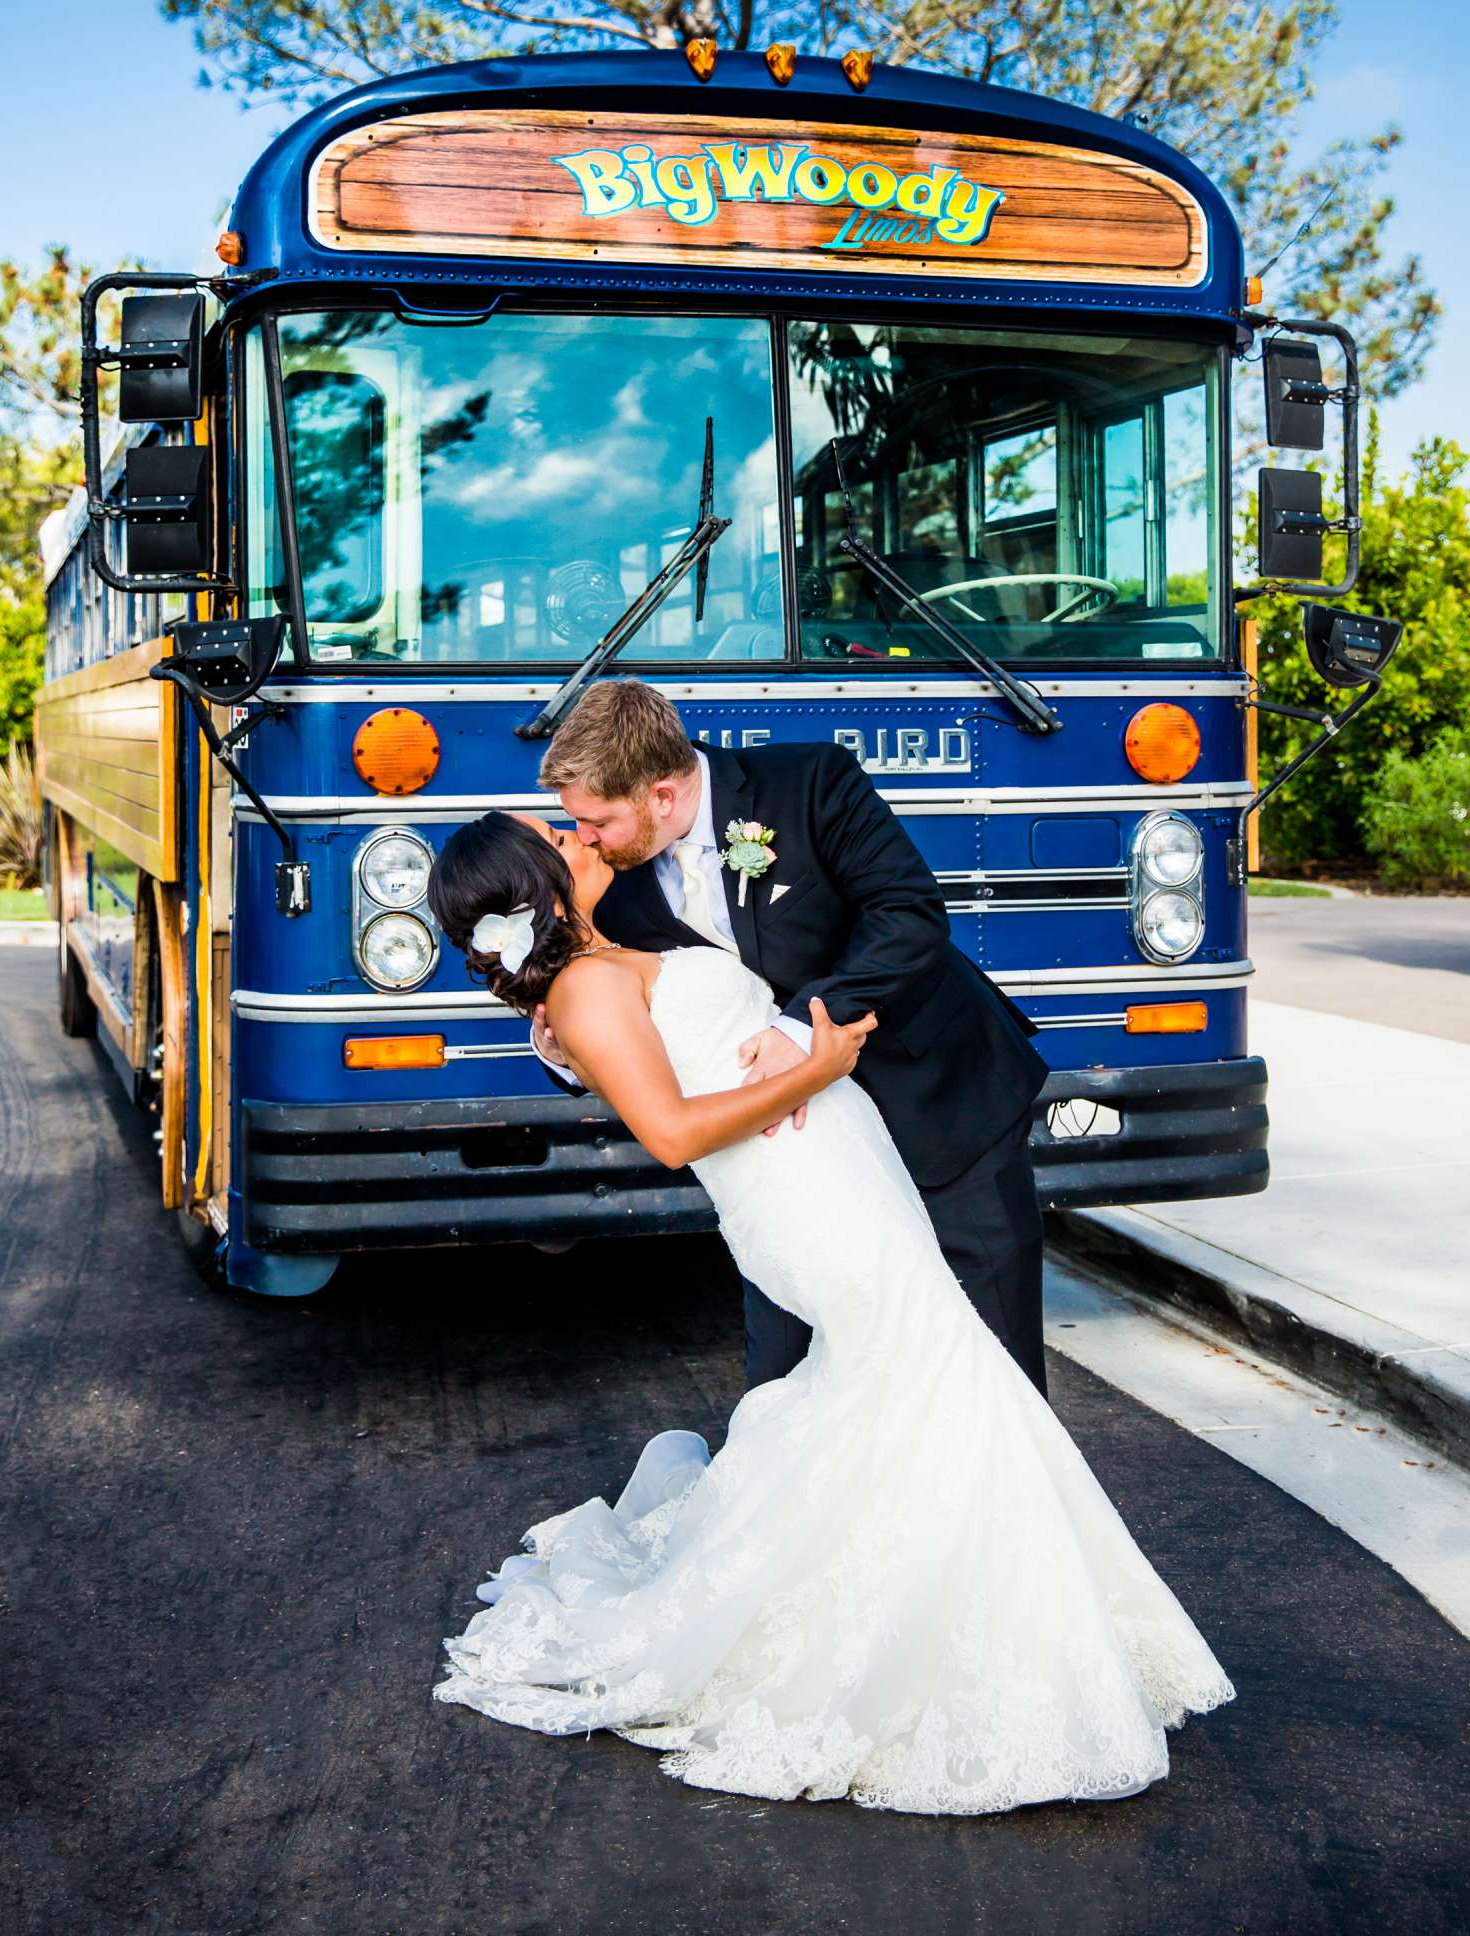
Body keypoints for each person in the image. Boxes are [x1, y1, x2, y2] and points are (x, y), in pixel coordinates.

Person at [424, 811, 1233, 1815]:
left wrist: (805, 1054)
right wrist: (813, 1069)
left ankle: (961, 1624)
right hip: (801, 1201)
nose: (572, 827)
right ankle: (989, 1657)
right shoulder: (585, 990)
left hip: (842, 1167)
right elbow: (672, 1134)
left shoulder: (612, 955)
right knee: (943, 1372)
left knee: (910, 1385)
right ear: (533, 878)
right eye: (548, 829)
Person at [530, 681, 1051, 1393]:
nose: (583, 839)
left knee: (992, 1360)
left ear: (660, 795)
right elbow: (619, 1012)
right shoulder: (610, 886)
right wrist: (565, 1053)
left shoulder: (810, 782)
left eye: (598, 821)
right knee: (781, 1379)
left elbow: (908, 914)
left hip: (939, 1104)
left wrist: (798, 1026)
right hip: (789, 1161)